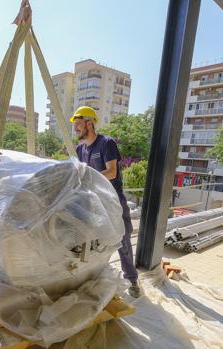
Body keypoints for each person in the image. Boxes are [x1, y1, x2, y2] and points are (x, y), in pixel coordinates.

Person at [70, 106, 141, 298]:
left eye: (78, 124)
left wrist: (89, 179)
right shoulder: (80, 148)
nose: (75, 128)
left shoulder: (106, 143)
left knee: (122, 238)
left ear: (89, 123)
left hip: (113, 199)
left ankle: (132, 280)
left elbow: (112, 172)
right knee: (89, 240)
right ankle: (92, 277)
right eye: (74, 125)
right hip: (93, 200)